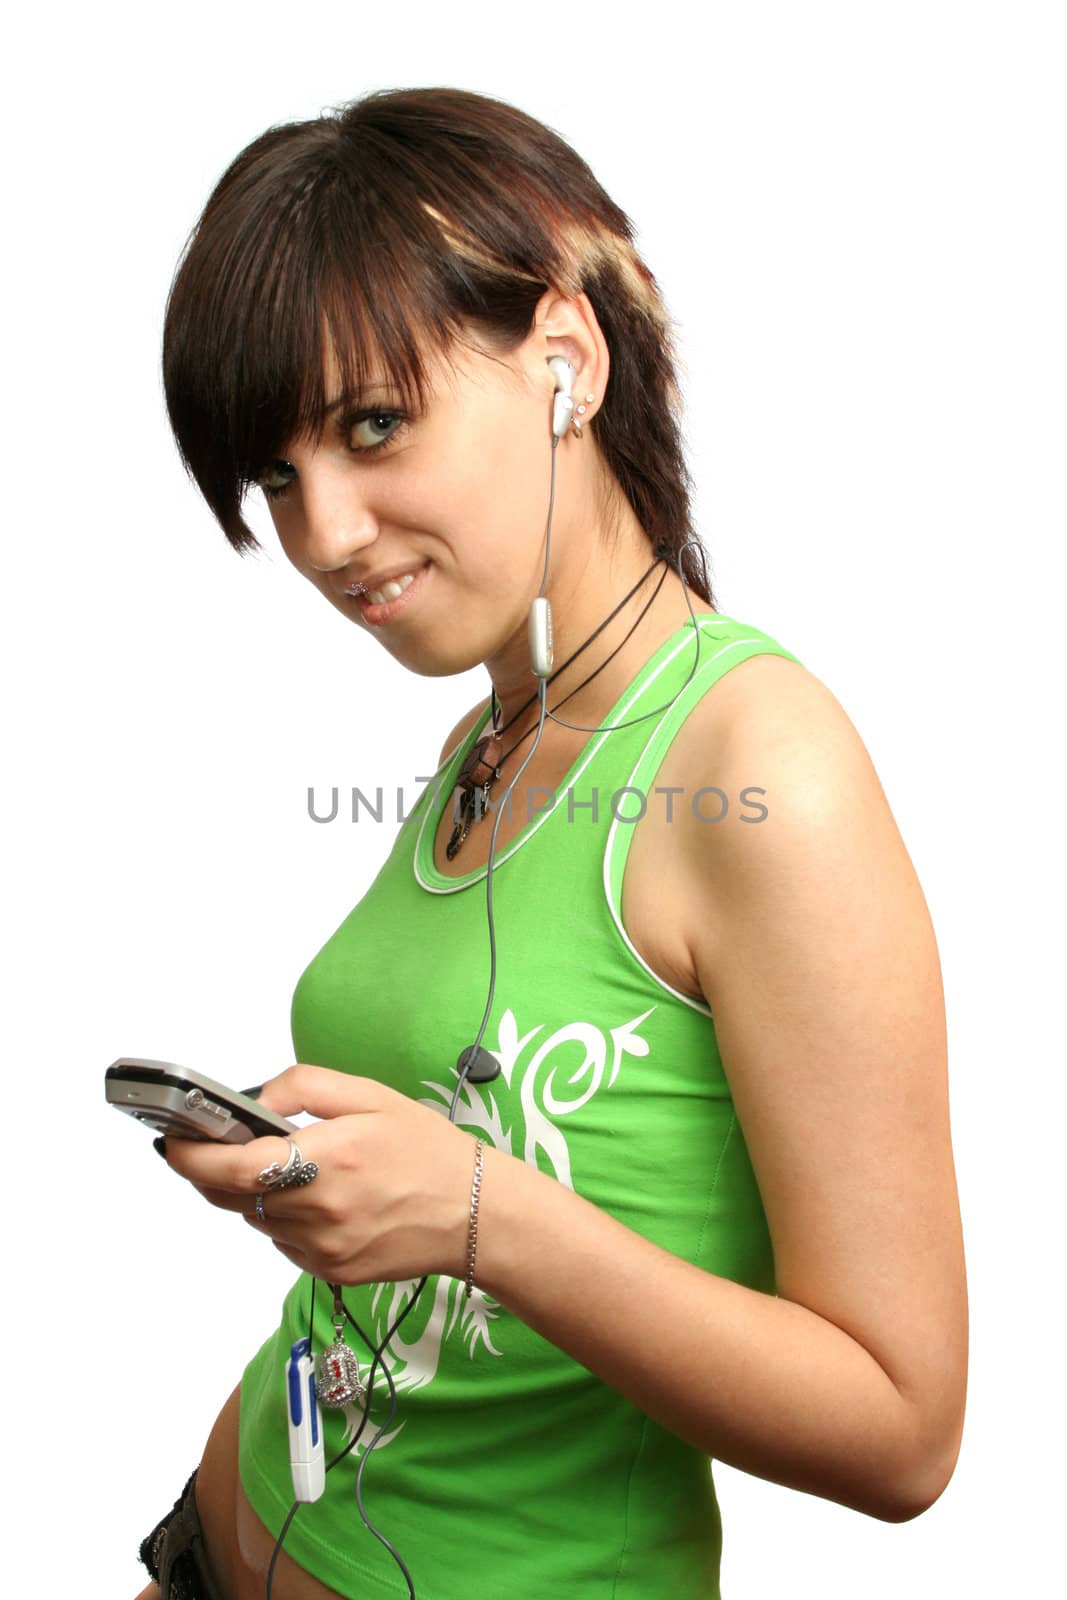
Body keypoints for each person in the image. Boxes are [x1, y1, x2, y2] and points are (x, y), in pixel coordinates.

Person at [135, 85, 968, 1600]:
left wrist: (475, 1213)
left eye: (374, 427)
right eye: (277, 477)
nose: (324, 535)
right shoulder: (493, 733)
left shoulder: (757, 765)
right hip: (222, 1535)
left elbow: (903, 1431)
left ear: (564, 364)